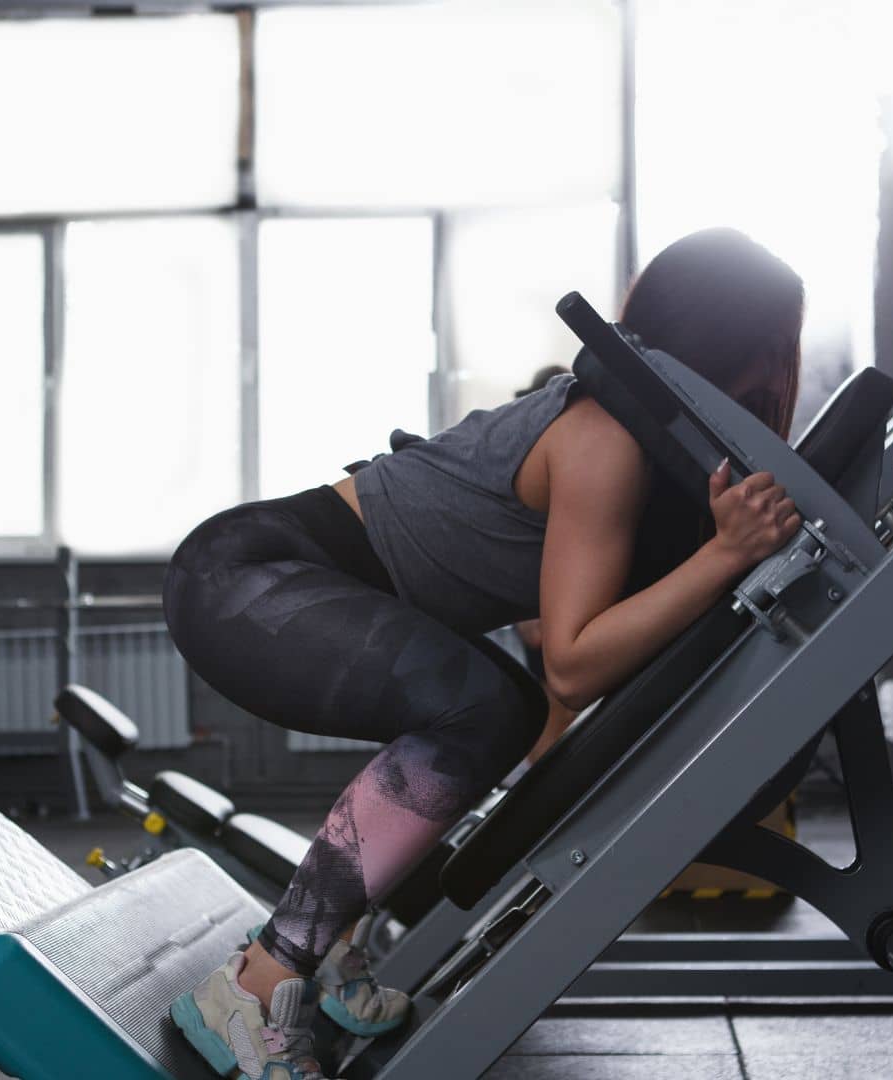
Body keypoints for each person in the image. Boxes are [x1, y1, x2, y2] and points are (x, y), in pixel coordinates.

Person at [162, 227, 806, 1080]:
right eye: (786, 349)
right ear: (759, 349)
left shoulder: (654, 450)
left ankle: (323, 948)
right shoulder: (608, 437)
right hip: (247, 579)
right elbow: (573, 665)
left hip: (283, 581)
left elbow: (561, 654)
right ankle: (258, 982)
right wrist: (725, 555)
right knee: (484, 707)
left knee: (488, 706)